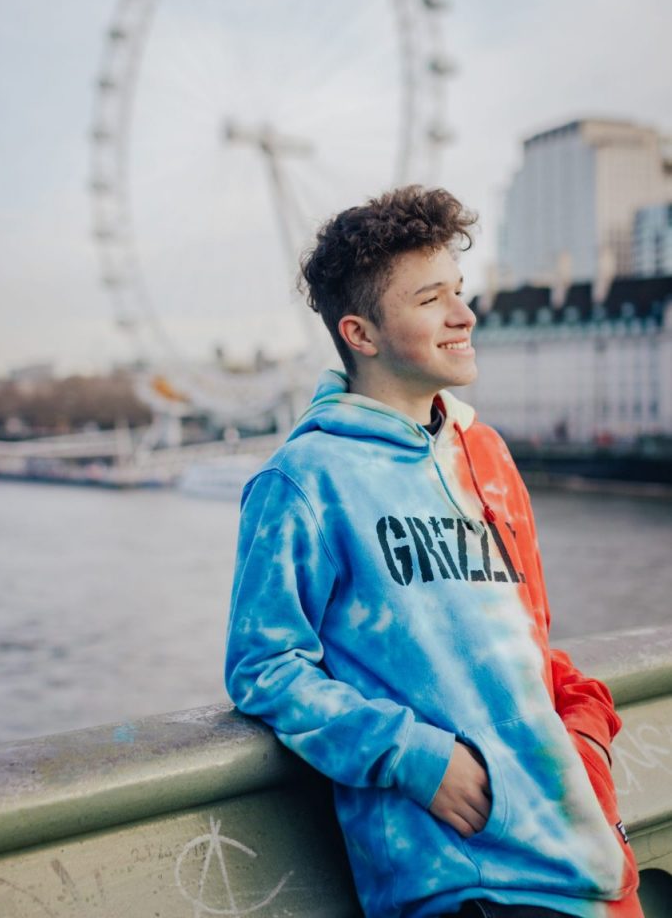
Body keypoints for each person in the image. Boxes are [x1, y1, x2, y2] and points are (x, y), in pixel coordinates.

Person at [225, 186, 642, 918]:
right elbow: (263, 667)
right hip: (461, 885)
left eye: (459, 290)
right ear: (361, 333)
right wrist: (415, 757)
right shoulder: (305, 480)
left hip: (592, 872)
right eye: (430, 300)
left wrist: (587, 735)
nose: (464, 314)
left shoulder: (487, 455)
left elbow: (531, 644)